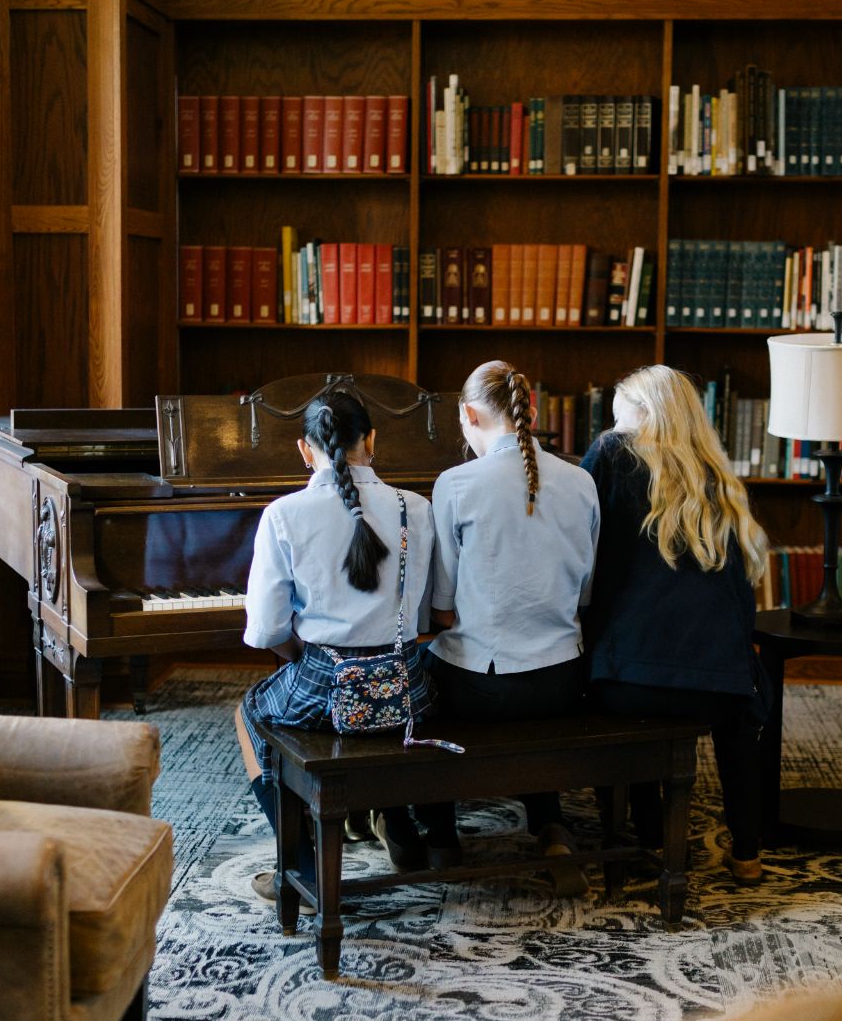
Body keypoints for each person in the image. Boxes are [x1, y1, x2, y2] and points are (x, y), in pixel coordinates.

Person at [235, 388, 437, 903]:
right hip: (407, 687)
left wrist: (305, 659)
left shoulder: (283, 515)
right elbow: (429, 609)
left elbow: (266, 630)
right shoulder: (416, 507)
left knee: (249, 714)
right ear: (371, 440)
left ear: (305, 449)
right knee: (387, 708)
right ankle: (401, 827)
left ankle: (302, 864)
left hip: (328, 687)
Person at [412, 360, 601, 897]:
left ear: (469, 415)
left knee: (421, 683)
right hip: (564, 682)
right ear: (532, 412)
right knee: (527, 699)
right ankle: (550, 824)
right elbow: (585, 594)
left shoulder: (454, 483)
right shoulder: (582, 481)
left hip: (480, 688)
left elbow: (443, 609)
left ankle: (441, 832)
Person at [579, 365, 772, 882]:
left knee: (632, 693)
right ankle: (747, 852)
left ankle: (650, 839)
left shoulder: (611, 454)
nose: (616, 427)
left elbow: (577, 544)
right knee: (739, 709)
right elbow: (738, 597)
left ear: (643, 415)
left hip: (627, 681)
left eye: (622, 418)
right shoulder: (719, 478)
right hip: (717, 686)